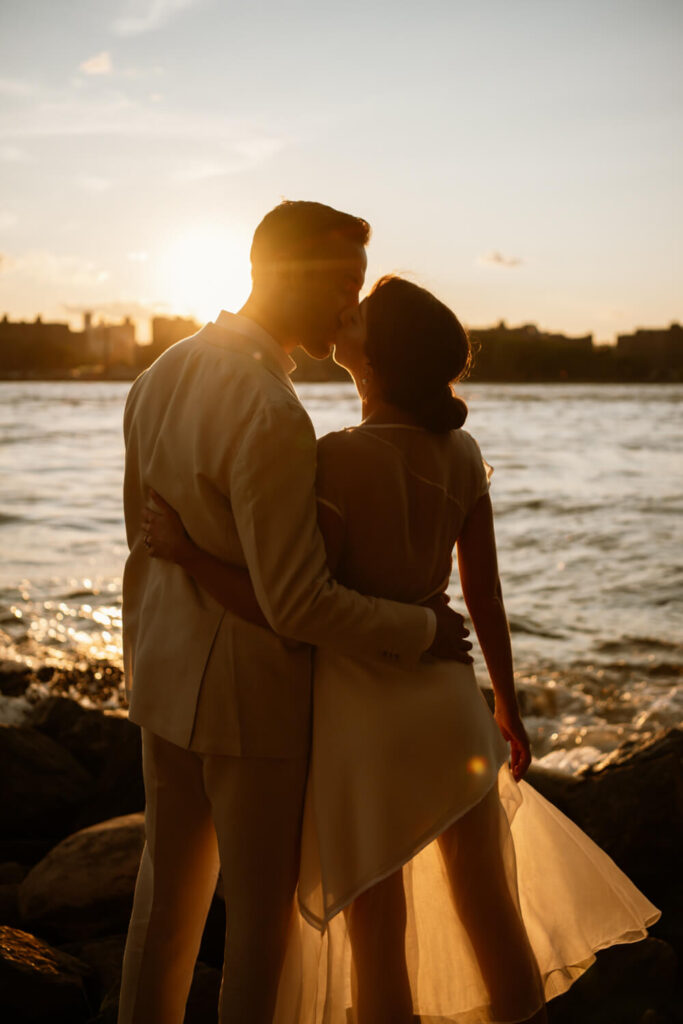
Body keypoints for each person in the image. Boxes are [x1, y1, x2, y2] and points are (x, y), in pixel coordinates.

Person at [143, 275, 661, 1024]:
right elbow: (484, 598)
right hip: (452, 705)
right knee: (490, 912)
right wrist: (505, 706)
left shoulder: (337, 459)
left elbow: (293, 607)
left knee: (376, 932)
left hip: (366, 715)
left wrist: (190, 555)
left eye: (357, 315)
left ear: (375, 355)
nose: (339, 314)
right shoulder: (461, 450)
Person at [118, 203, 472, 1024]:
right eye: (344, 285)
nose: (350, 310)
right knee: (258, 937)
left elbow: (144, 543)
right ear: (291, 274)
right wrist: (420, 630)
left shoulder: (158, 375)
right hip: (250, 700)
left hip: (163, 680)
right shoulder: (273, 413)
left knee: (161, 909)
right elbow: (298, 602)